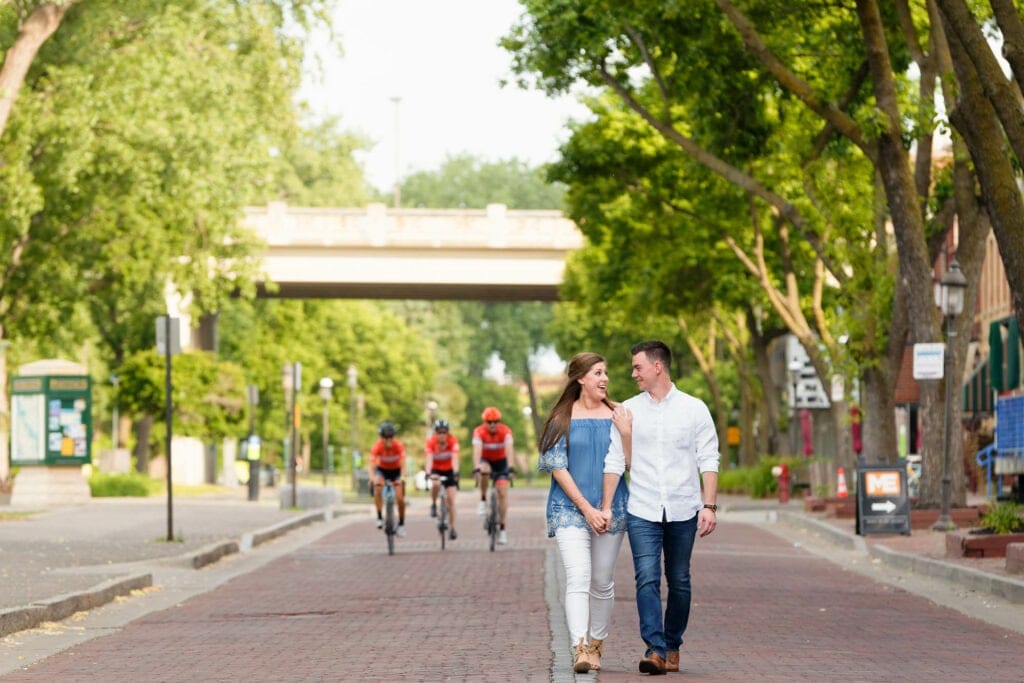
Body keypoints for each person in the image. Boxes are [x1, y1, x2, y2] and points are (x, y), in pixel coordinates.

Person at [605, 340, 719, 675]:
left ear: (658, 366)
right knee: (646, 577)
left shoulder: (694, 409)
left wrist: (709, 505)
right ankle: (654, 648)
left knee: (680, 580)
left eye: (637, 367)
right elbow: (614, 462)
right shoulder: (627, 410)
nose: (633, 373)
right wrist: (607, 505)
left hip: (684, 506)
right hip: (642, 507)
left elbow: (708, 458)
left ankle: (672, 644)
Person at [538, 352, 632, 674]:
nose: (604, 378)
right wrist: (587, 509)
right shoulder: (561, 418)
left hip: (611, 507)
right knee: (578, 576)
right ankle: (578, 645)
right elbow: (557, 469)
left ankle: (596, 644)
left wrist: (602, 509)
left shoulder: (620, 414)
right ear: (580, 379)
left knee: (602, 580)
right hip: (570, 508)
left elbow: (630, 462)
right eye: (597, 373)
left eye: (605, 372)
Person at [472, 406, 514, 544]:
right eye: (489, 422)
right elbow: (477, 451)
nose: (492, 425)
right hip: (486, 461)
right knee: (483, 469)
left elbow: (509, 451)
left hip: (501, 463)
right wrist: (476, 467)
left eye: (495, 421)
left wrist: (511, 468)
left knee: (502, 493)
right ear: (484, 422)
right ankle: (483, 500)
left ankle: (502, 529)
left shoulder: (505, 431)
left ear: (499, 421)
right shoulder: (479, 432)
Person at [369, 421, 407, 538]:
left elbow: (403, 464)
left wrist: (402, 478)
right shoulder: (377, 447)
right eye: (385, 437)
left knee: (400, 498)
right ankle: (379, 516)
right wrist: (372, 479)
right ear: (381, 438)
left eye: (391, 437)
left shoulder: (399, 446)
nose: (388, 440)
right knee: (377, 488)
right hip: (383, 471)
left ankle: (401, 524)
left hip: (396, 471)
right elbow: (372, 465)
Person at [425, 418, 460, 540]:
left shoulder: (453, 441)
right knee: (435, 484)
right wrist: (428, 472)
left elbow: (455, 458)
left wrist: (456, 472)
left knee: (451, 500)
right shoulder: (431, 442)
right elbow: (429, 459)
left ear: (447, 433)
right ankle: (434, 504)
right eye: (439, 432)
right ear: (435, 433)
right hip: (436, 469)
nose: (442, 435)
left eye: (444, 432)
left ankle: (453, 528)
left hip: (449, 470)